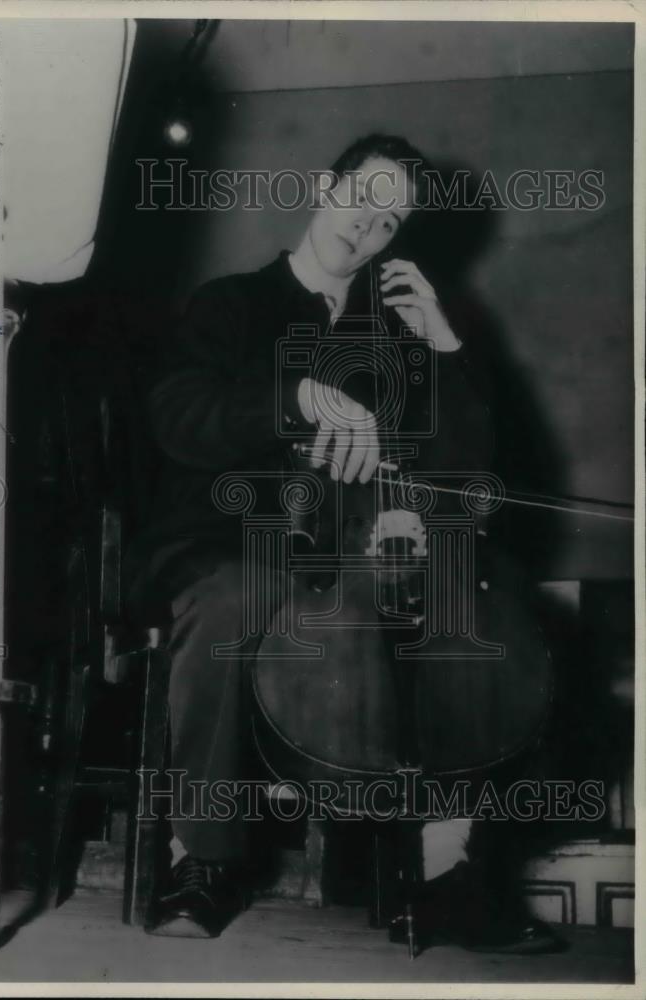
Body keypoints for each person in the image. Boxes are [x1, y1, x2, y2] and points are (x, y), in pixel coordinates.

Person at [124, 134, 563, 953]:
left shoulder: (397, 335)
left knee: (461, 603)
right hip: (233, 538)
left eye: (391, 220)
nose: (370, 226)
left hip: (354, 559)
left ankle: (445, 872)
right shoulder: (230, 304)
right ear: (326, 188)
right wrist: (294, 397)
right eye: (364, 199)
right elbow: (179, 417)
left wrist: (441, 339)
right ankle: (204, 859)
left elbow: (466, 468)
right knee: (232, 600)